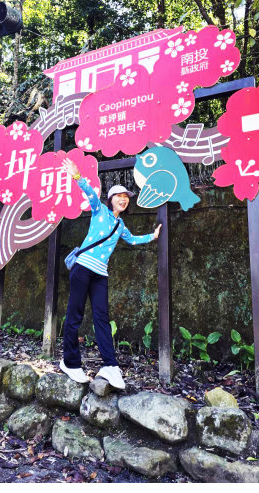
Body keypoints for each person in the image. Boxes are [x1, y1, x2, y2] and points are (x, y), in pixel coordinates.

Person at [59, 157, 162, 389]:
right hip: (82, 268)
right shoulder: (100, 211)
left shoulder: (120, 225)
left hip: (100, 275)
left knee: (102, 318)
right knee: (75, 315)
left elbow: (132, 240)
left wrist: (152, 237)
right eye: (119, 196)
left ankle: (110, 366)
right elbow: (90, 193)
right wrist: (77, 176)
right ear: (111, 199)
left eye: (126, 197)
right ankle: (70, 362)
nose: (123, 199)